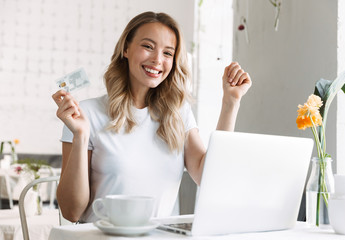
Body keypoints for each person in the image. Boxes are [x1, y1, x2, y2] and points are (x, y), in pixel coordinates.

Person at [52, 11, 252, 223]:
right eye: (148, 46)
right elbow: (71, 211)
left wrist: (230, 103)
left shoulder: (179, 113)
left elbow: (210, 178)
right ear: (126, 49)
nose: (157, 60)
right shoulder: (85, 114)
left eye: (168, 53)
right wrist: (81, 136)